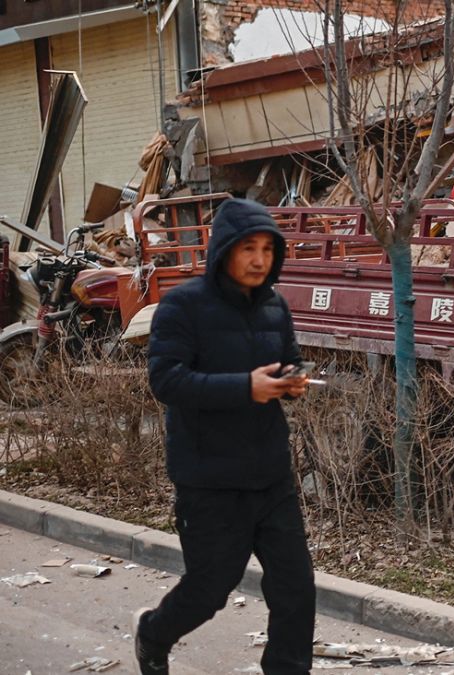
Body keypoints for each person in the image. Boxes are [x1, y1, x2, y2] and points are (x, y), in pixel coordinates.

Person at [135, 198, 315, 674]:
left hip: (270, 474)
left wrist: (292, 381)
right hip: (209, 477)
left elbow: (288, 357)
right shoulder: (182, 306)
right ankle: (153, 633)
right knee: (211, 588)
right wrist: (246, 387)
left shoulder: (275, 305)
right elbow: (166, 380)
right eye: (248, 248)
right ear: (223, 252)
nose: (260, 260)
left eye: (267, 249)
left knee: (296, 590)